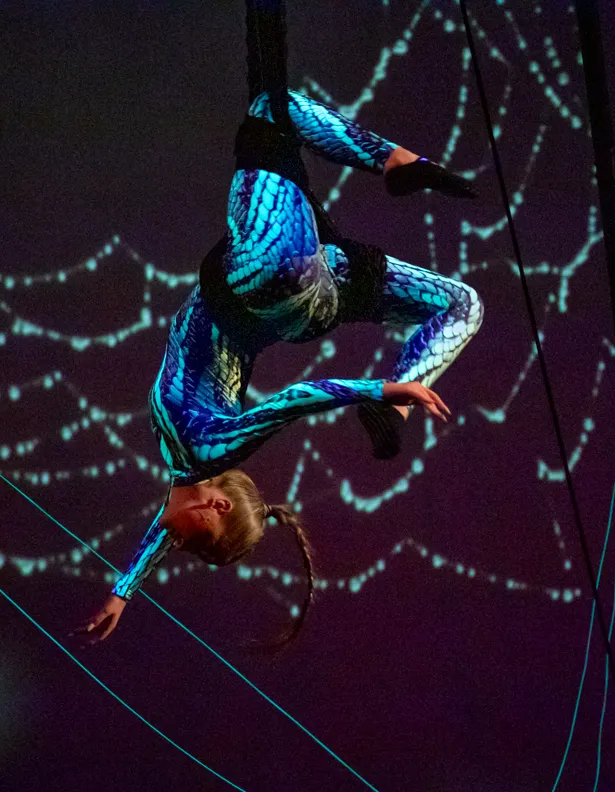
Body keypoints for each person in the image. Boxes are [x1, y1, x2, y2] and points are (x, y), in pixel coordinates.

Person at [75, 89, 483, 647]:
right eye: (202, 539)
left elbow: (165, 532)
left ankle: (397, 161)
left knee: (463, 306)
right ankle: (395, 162)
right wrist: (383, 387)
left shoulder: (183, 463)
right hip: (268, 275)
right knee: (270, 108)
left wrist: (123, 591)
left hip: (310, 290)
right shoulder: (212, 449)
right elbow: (295, 399)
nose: (183, 546)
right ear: (217, 503)